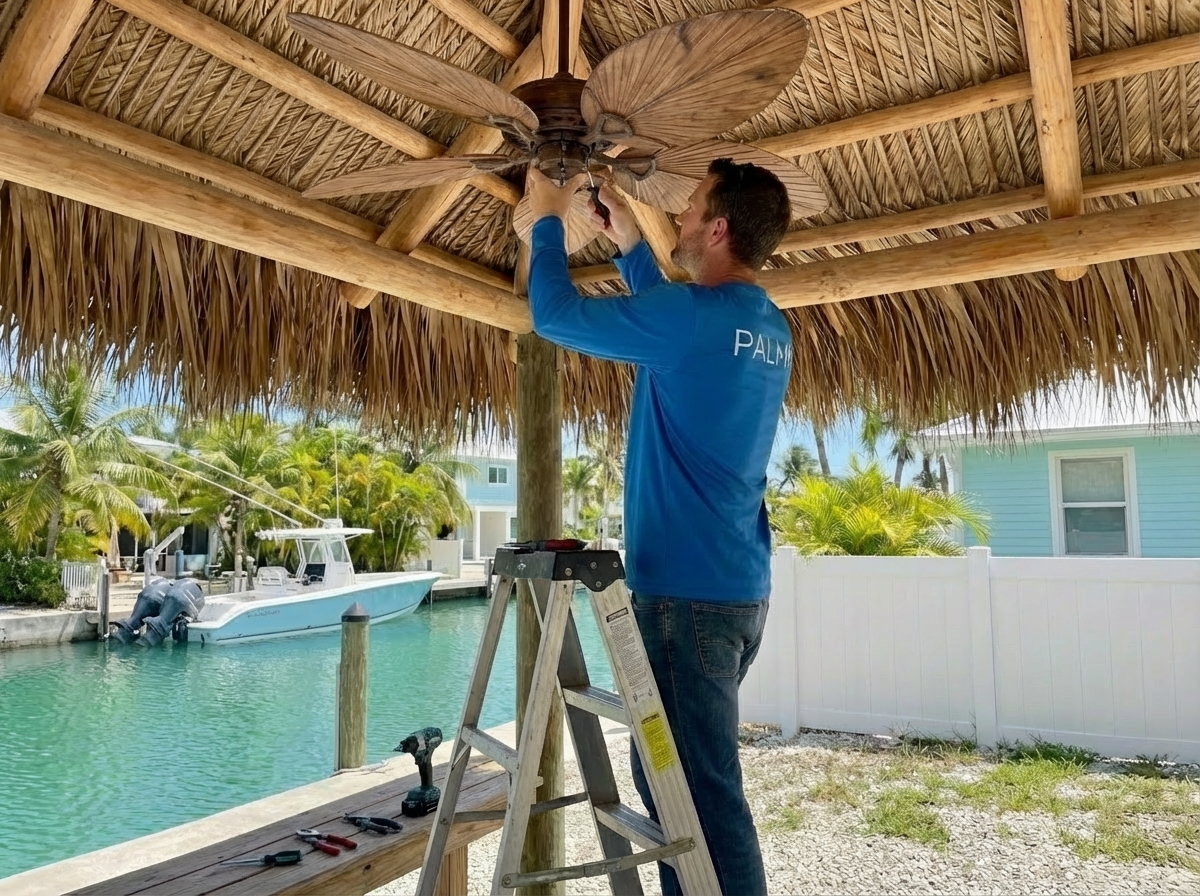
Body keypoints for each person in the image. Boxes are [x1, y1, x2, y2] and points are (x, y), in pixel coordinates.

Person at [525, 160, 793, 896]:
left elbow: (552, 315)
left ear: (718, 226)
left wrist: (548, 217)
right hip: (735, 590)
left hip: (685, 602)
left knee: (701, 803)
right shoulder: (766, 326)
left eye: (688, 210)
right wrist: (627, 248)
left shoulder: (695, 322)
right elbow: (680, 328)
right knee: (677, 785)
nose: (674, 220)